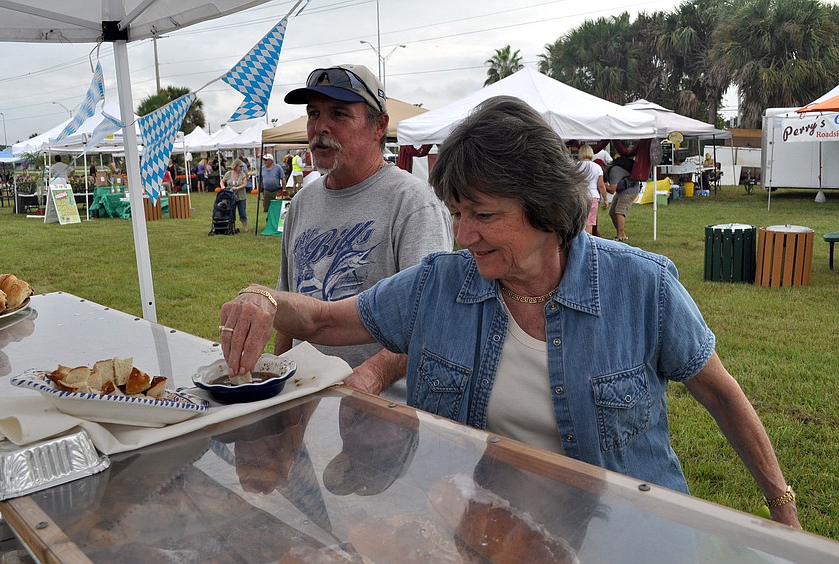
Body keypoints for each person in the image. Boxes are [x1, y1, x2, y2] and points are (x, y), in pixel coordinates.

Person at [220, 95, 800, 529]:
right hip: (486, 525)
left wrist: (782, 508)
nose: (463, 235)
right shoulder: (438, 286)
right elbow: (321, 320)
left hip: (626, 535)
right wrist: (264, 298)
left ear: (545, 205)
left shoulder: (641, 286)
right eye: (456, 213)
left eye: (485, 215)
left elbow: (722, 394)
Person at [243, 63, 453, 402]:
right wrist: (276, 378)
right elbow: (287, 310)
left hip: (382, 411)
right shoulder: (302, 202)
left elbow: (429, 319)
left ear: (378, 126)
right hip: (304, 400)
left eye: (339, 114)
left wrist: (371, 375)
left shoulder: (413, 204)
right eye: (313, 114)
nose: (320, 127)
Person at [607, 154, 640, 242]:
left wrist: (601, 185)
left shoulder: (614, 171)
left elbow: (612, 190)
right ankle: (622, 233)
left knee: (619, 211)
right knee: (612, 212)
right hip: (622, 190)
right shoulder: (614, 169)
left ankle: (620, 236)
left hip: (630, 190)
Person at [577, 144, 607, 235]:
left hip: (579, 195)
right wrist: (605, 199)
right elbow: (601, 185)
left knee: (579, 221)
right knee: (589, 223)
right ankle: (587, 241)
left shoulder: (576, 166)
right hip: (593, 196)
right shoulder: (597, 167)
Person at [221, 158, 249, 232]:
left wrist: (237, 188)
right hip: (231, 197)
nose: (241, 168)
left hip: (241, 197)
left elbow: (245, 184)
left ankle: (245, 227)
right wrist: (223, 186)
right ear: (235, 166)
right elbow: (222, 181)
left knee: (242, 212)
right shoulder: (228, 174)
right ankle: (232, 227)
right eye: (240, 166)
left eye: (242, 166)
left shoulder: (242, 174)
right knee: (231, 212)